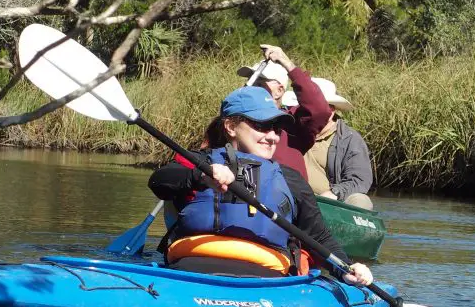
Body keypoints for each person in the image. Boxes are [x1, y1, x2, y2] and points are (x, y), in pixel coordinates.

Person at [149, 86, 373, 286]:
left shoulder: (290, 179)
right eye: (262, 126)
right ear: (230, 126)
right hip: (191, 270)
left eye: (276, 129)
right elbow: (159, 181)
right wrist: (200, 176)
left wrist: (345, 268)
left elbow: (319, 238)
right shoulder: (200, 162)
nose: (272, 137)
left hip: (266, 280)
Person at [234, 44, 331, 180]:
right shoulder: (236, 121)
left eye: (259, 84)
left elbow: (319, 110)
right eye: (250, 82)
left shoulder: (292, 124)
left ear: (279, 91)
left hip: (288, 197)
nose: (250, 87)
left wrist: (288, 64)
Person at [283, 78, 374, 210]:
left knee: (360, 201)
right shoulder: (286, 130)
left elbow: (358, 180)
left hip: (330, 203)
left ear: (331, 110)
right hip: (290, 197)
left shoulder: (350, 139)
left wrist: (333, 193)